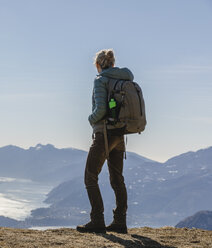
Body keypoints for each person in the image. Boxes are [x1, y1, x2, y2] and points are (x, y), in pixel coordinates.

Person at [76, 49, 133, 234]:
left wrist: (91, 119)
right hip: (120, 134)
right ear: (113, 64)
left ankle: (97, 219)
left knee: (90, 176)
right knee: (117, 179)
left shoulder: (100, 80)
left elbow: (100, 110)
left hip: (104, 135)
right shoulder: (124, 78)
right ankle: (120, 222)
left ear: (99, 65)